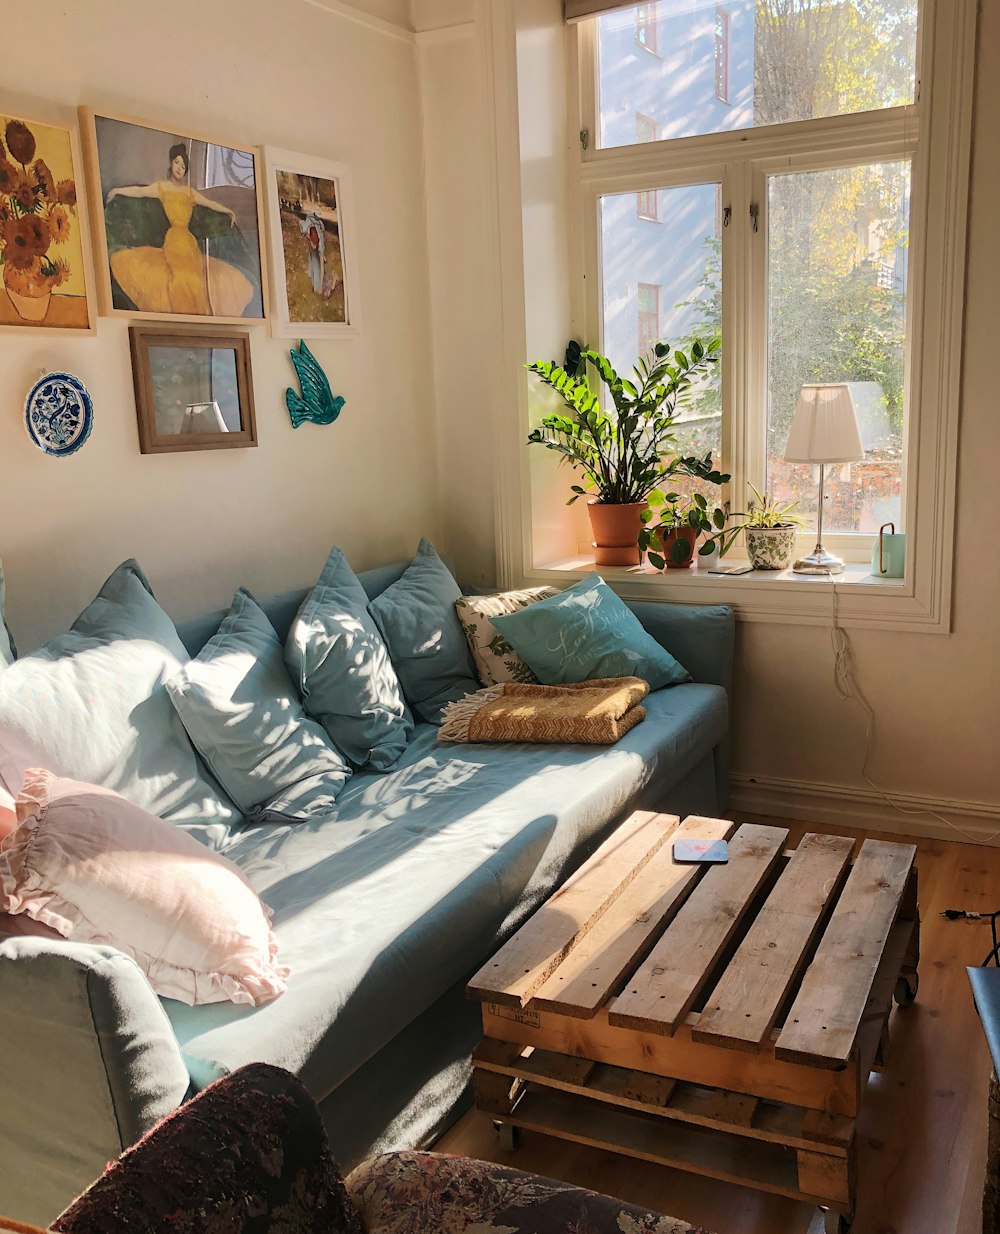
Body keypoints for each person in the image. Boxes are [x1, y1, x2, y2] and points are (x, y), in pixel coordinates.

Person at [106, 143, 253, 316]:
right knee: (179, 276)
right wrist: (116, 191)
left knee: (194, 277)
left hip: (189, 240)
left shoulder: (189, 192)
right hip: (174, 238)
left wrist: (228, 211)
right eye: (177, 163)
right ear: (171, 164)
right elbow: (139, 192)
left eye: (183, 166)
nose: (179, 168)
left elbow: (209, 203)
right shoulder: (161, 187)